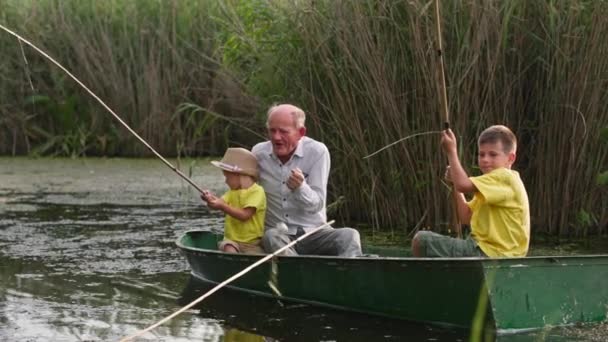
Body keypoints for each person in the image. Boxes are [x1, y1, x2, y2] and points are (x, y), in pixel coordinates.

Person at [252, 104, 362, 257]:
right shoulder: (258, 153)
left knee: (350, 235)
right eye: (272, 130)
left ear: (301, 132)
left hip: (315, 232)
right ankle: (299, 275)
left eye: (283, 131)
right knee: (271, 236)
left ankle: (347, 276)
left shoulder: (317, 151)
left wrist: (300, 188)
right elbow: (244, 190)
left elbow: (317, 205)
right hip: (279, 235)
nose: (276, 137)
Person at [412, 125, 530, 258]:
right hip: (493, 253)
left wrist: (451, 151)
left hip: (489, 253)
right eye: (481, 154)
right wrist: (454, 184)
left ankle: (422, 279)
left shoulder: (505, 177)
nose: (485, 159)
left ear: (510, 158)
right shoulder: (492, 185)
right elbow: (466, 216)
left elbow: (463, 184)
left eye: (493, 154)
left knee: (421, 240)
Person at [201, 147, 266, 254]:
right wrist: (209, 199)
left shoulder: (257, 192)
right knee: (228, 248)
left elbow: (244, 215)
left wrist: (223, 206)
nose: (226, 181)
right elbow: (217, 203)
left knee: (256, 257)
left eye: (228, 177)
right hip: (231, 241)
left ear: (240, 175)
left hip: (252, 243)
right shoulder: (232, 193)